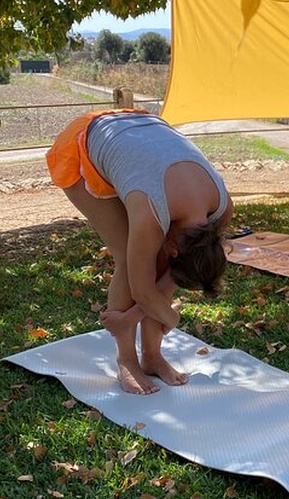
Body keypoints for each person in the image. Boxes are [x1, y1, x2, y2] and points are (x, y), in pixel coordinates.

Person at [46, 109, 234, 395]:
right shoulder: (151, 212)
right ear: (175, 251)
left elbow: (166, 277)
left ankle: (152, 356)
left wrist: (129, 317)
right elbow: (143, 290)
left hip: (140, 134)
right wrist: (172, 319)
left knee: (152, 259)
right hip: (84, 141)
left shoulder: (220, 210)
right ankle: (127, 360)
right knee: (127, 255)